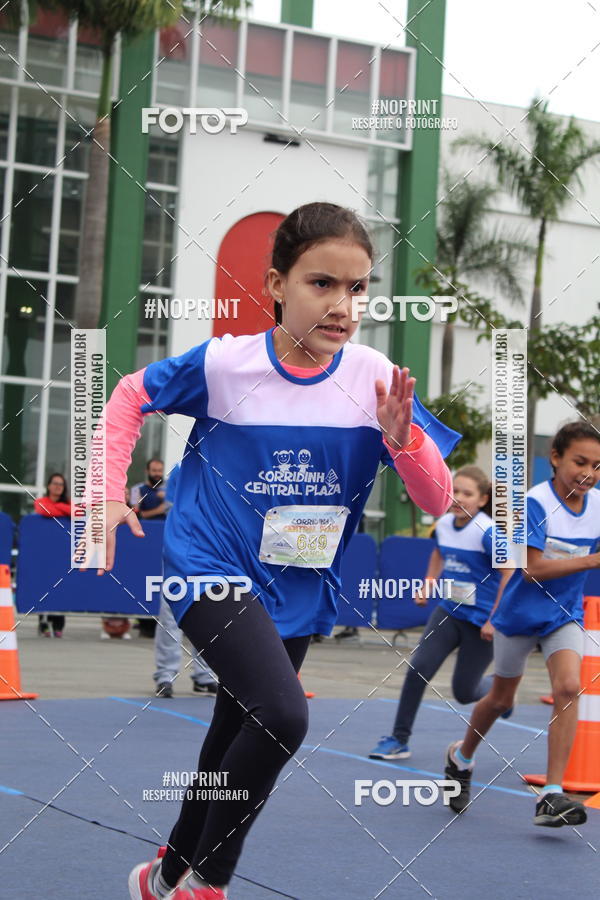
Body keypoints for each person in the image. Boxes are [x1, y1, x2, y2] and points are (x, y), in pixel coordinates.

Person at [93, 202, 460, 900]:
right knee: (285, 716)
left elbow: (439, 500)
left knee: (236, 726)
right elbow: (128, 394)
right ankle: (207, 885)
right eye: (322, 284)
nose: (342, 305)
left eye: (357, 289)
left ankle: (164, 874)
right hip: (210, 568)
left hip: (295, 583)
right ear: (275, 284)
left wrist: (402, 440)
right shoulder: (227, 365)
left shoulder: (376, 378)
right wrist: (108, 491)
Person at [445, 421, 600, 828]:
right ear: (555, 458)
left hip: (564, 615)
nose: (588, 473)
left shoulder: (597, 505)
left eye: (597, 466)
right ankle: (461, 757)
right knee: (500, 699)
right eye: (580, 461)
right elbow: (530, 569)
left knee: (568, 687)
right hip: (519, 617)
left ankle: (551, 794)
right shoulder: (534, 502)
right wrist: (590, 560)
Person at [370, 467, 515, 761]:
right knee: (417, 669)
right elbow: (438, 552)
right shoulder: (445, 523)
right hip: (449, 612)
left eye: (467, 494)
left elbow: (510, 574)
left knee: (464, 692)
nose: (459, 498)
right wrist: (428, 584)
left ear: (483, 499)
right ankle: (399, 739)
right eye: (455, 492)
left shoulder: (488, 533)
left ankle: (501, 692)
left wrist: (493, 619)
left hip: (480, 622)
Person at [154, 463, 218, 698]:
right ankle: (165, 675)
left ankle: (205, 675)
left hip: (214, 552)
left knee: (212, 612)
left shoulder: (225, 464)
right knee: (170, 613)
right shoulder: (182, 469)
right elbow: (173, 510)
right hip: (181, 548)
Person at [35, 473, 71, 638]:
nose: (58, 487)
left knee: (61, 587)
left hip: (62, 551)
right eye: (55, 483)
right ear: (48, 485)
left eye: (61, 484)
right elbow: (42, 509)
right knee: (43, 586)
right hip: (43, 552)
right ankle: (43, 623)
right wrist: (63, 511)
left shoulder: (69, 503)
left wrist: (60, 509)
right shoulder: (41, 501)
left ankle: (58, 625)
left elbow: (75, 511)